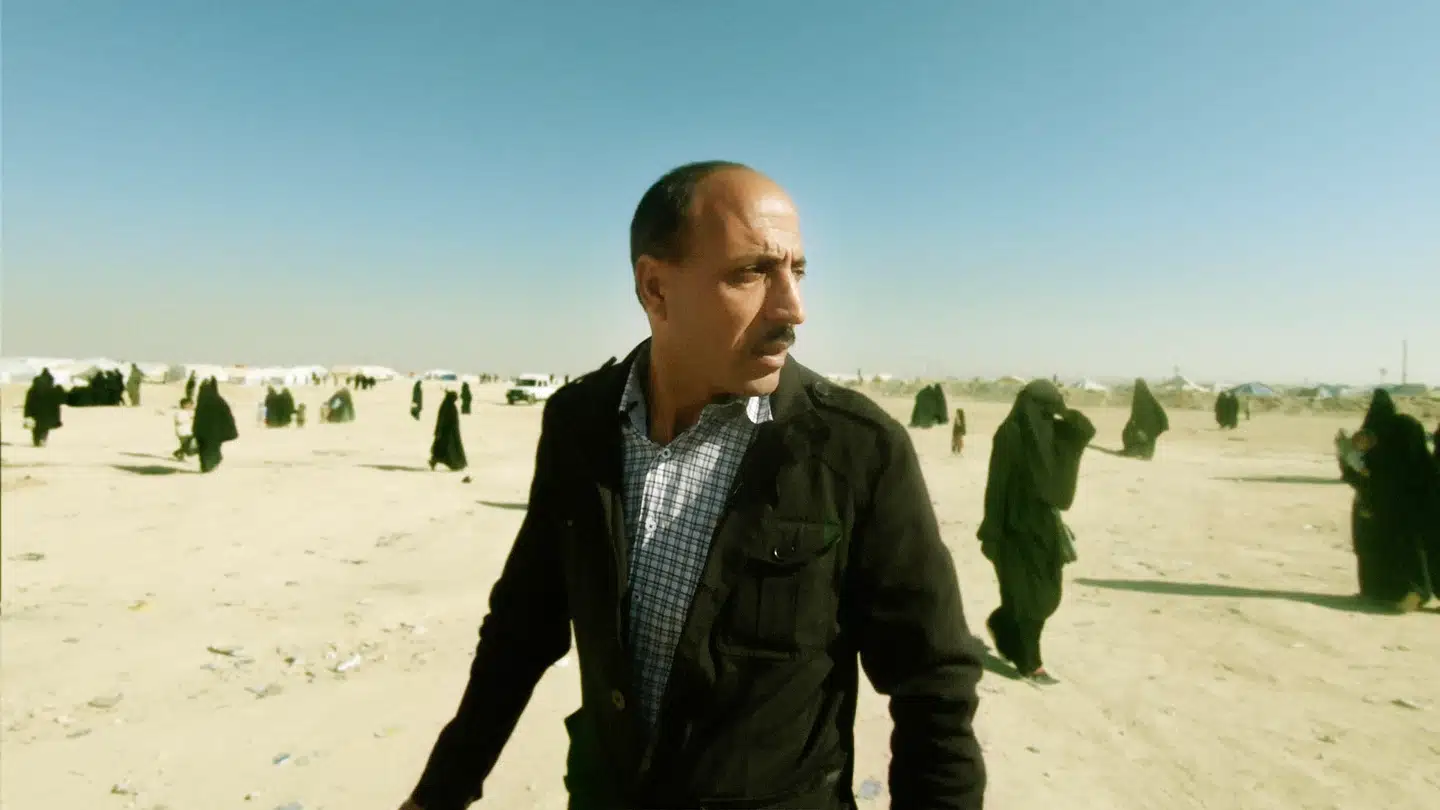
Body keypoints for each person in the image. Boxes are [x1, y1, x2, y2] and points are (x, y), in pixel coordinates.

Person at [399, 161, 985, 810]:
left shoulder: (856, 449)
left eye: (797, 270)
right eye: (752, 272)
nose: (793, 308)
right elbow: (522, 627)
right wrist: (439, 792)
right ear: (655, 289)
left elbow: (934, 687)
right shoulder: (580, 424)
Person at [977, 380, 1095, 684]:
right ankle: (1030, 662)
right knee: (1025, 598)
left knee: (1047, 595)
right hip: (1013, 528)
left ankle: (1002, 624)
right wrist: (991, 530)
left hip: (1045, 527)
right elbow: (997, 484)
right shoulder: (1009, 434)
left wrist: (1062, 411)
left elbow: (1084, 430)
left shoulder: (1054, 431)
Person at [1341, 390, 1431, 610]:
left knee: (1376, 546)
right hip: (1408, 500)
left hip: (1377, 501)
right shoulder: (1405, 428)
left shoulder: (1374, 434)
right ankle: (1409, 592)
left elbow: (1358, 470)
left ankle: (1382, 590)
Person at [193, 378, 238, 473]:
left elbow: (197, 419)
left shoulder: (202, 401)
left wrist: (195, 430)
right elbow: (228, 417)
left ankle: (205, 466)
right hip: (215, 432)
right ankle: (210, 465)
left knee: (204, 449)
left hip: (203, 432)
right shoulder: (219, 401)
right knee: (213, 448)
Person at [1120, 378, 1168, 459]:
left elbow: (1140, 413)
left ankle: (1145, 454)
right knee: (1128, 433)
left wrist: (1136, 423)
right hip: (1147, 424)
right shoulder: (1146, 397)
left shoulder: (1141, 398)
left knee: (1143, 436)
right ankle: (1135, 451)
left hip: (1147, 425)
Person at [22, 369, 64, 447]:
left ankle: (36, 441)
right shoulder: (52, 389)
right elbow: (56, 403)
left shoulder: (32, 390)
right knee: (45, 427)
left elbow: (28, 403)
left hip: (35, 411)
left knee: (35, 427)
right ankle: (42, 440)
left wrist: (27, 414)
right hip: (47, 412)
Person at [428, 391, 468, 471]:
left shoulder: (449, 405)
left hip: (450, 431)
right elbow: (441, 419)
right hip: (446, 432)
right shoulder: (447, 406)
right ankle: (453, 463)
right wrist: (439, 431)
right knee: (448, 448)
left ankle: (437, 461)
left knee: (446, 448)